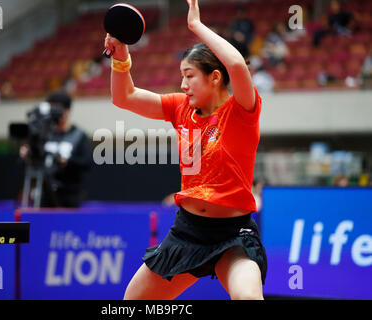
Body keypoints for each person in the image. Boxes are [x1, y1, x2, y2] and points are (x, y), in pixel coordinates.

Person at [105, 0, 267, 300]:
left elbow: (236, 64)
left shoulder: (242, 110)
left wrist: (196, 26)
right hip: (188, 231)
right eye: (182, 75)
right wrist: (121, 55)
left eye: (189, 75)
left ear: (214, 77)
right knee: (132, 303)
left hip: (233, 235)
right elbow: (124, 96)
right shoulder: (180, 109)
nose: (182, 85)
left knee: (248, 298)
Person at [19, 91, 93, 208]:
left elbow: (87, 163)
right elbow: (29, 163)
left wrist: (67, 162)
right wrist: (26, 155)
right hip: (44, 195)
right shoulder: (43, 135)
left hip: (69, 196)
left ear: (67, 111)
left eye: (57, 109)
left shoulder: (79, 135)